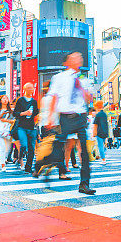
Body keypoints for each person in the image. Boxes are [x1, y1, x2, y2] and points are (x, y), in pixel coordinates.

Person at [40, 52, 95, 194]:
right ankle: (46, 165)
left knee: (84, 152)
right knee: (58, 150)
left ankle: (84, 184)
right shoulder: (59, 77)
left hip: (81, 117)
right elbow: (53, 98)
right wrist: (51, 118)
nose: (79, 59)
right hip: (65, 117)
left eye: (80, 57)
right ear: (67, 62)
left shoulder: (83, 78)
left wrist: (81, 87)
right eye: (75, 57)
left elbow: (89, 99)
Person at [14, 83, 39, 173]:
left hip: (31, 127)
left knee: (31, 148)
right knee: (24, 145)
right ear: (24, 89)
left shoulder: (34, 101)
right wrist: (23, 113)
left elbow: (36, 112)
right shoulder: (20, 100)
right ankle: (19, 158)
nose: (30, 90)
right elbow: (15, 113)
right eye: (28, 88)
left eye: (31, 88)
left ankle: (28, 167)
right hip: (22, 127)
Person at [0, 95, 15, 171]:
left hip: (8, 131)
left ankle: (1, 161)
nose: (5, 100)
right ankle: (3, 164)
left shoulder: (11, 111)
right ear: (1, 100)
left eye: (7, 98)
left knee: (8, 149)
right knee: (2, 147)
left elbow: (14, 121)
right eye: (3, 98)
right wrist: (1, 116)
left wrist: (6, 120)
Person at [93, 100, 109, 164]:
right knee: (103, 145)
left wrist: (94, 132)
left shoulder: (98, 115)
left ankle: (103, 159)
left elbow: (95, 125)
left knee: (100, 146)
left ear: (97, 107)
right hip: (105, 131)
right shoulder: (104, 114)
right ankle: (103, 156)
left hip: (99, 132)